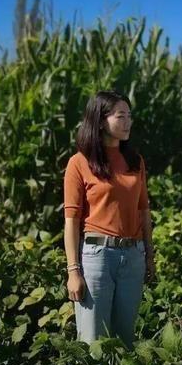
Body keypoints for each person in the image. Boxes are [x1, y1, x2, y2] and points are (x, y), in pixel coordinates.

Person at [63, 90, 156, 348]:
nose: (128, 122)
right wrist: (73, 271)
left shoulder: (135, 161)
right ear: (101, 120)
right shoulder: (80, 162)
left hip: (133, 257)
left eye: (129, 116)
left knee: (125, 340)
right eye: (120, 116)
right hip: (97, 257)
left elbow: (143, 211)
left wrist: (149, 255)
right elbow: (71, 221)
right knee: (94, 341)